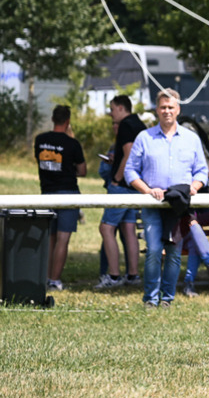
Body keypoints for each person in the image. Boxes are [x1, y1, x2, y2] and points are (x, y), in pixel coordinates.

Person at [124, 89, 209, 308]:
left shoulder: (191, 139)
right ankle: (151, 299)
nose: (167, 111)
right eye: (163, 107)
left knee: (173, 253)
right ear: (156, 110)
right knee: (153, 250)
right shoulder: (145, 138)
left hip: (179, 206)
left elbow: (202, 171)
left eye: (171, 107)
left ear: (178, 109)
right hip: (153, 204)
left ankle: (167, 299)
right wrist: (147, 190)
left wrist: (194, 187)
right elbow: (130, 171)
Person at [34, 105, 86, 291]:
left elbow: (42, 163)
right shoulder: (73, 144)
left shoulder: (40, 140)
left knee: (50, 238)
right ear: (67, 121)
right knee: (63, 238)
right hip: (68, 194)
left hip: (46, 194)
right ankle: (55, 280)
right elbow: (83, 170)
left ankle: (45, 277)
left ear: (53, 119)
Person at [95, 95, 145, 289]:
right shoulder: (139, 124)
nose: (110, 113)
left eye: (112, 108)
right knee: (129, 229)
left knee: (106, 228)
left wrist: (116, 178)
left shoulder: (125, 125)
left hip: (123, 185)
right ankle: (133, 275)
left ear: (122, 108)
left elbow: (129, 153)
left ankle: (114, 276)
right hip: (136, 185)